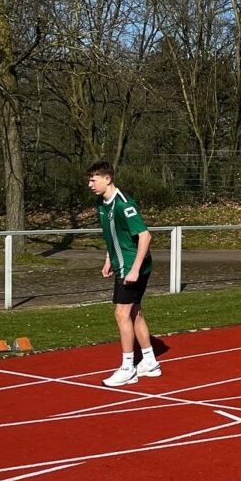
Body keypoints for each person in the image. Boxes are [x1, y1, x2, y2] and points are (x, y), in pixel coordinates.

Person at [86, 161, 161, 387]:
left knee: (121, 314)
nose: (90, 184)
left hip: (132, 266)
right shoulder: (101, 203)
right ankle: (149, 361)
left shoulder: (124, 205)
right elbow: (112, 234)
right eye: (89, 179)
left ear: (107, 179)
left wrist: (135, 269)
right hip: (121, 264)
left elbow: (145, 236)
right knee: (134, 312)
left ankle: (128, 367)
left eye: (94, 179)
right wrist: (109, 258)